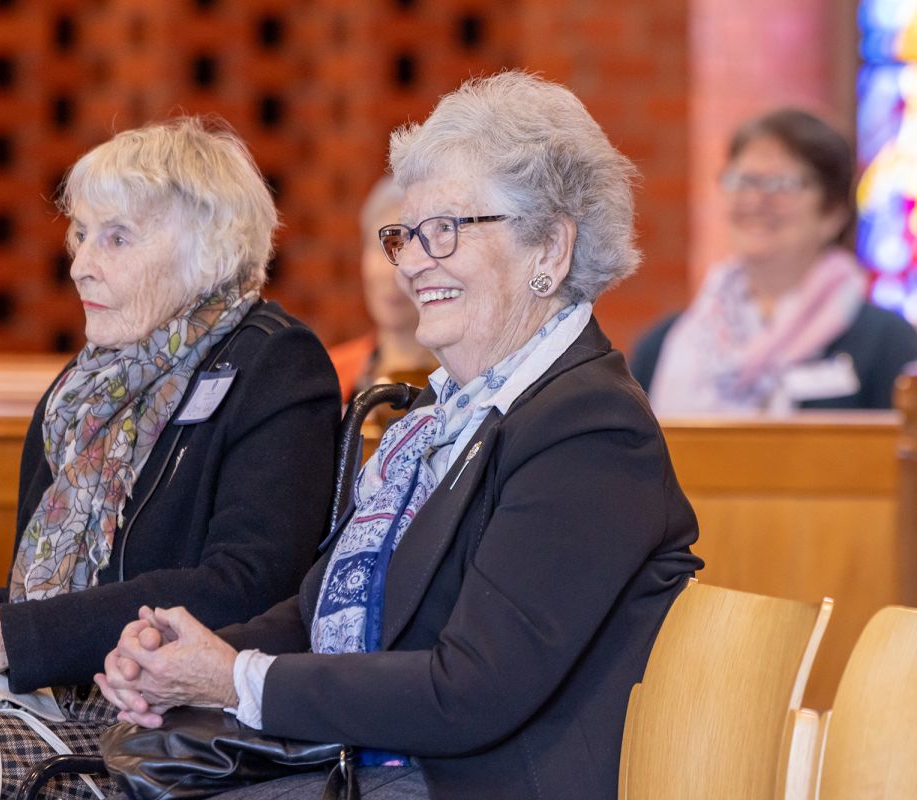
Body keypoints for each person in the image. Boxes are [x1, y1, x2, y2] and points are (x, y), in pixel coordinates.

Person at [96, 71, 702, 799]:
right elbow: (334, 609)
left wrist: (235, 680)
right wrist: (199, 655)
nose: (412, 261)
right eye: (405, 235)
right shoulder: (443, 418)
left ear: (550, 249)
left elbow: (472, 689)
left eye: (446, 230)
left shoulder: (590, 427)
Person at [0, 117, 341, 798]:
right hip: (51, 713)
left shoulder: (274, 364)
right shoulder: (79, 395)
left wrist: (6, 639)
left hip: (168, 731)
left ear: (207, 249)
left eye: (117, 237)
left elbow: (248, 584)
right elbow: (35, 596)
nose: (80, 263)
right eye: (81, 233)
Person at [631, 108, 917, 413]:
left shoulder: (887, 344)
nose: (756, 200)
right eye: (743, 180)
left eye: (783, 184)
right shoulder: (661, 346)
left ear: (833, 212)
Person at [328, 176, 438, 402]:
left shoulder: (464, 380)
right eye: (382, 247)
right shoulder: (330, 372)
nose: (390, 273)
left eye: (406, 249)